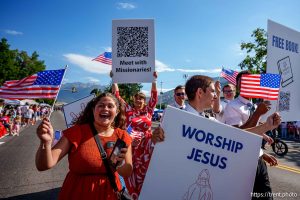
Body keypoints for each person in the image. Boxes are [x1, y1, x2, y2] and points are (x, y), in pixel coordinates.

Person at [35, 93, 133, 200]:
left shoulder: (122, 136)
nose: (105, 108)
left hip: (110, 194)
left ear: (117, 112)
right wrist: (45, 142)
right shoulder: (76, 132)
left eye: (110, 106)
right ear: (93, 110)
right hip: (77, 193)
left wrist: (120, 164)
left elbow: (127, 172)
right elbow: (43, 165)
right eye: (100, 105)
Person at [223, 71, 278, 200]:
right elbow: (238, 135)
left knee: (266, 196)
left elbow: (254, 131)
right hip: (243, 162)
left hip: (257, 159)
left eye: (250, 81)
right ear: (237, 85)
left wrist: (262, 154)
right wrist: (257, 114)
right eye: (243, 82)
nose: (246, 85)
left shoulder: (253, 105)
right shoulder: (232, 106)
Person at [112, 72, 158, 199]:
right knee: (130, 171)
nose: (139, 100)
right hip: (130, 146)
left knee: (145, 172)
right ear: (134, 99)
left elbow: (154, 97)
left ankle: (146, 194)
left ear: (144, 101)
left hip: (146, 147)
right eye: (137, 98)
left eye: (141, 98)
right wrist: (114, 79)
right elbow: (117, 97)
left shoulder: (148, 111)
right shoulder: (128, 110)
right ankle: (131, 194)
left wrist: (153, 80)